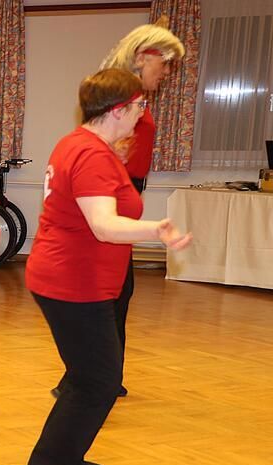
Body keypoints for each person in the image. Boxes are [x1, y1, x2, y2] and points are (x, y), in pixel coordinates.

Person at [22, 68, 191, 465]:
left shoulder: (78, 143)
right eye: (139, 107)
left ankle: (62, 458)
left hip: (73, 278)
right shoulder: (92, 154)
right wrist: (159, 230)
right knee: (97, 380)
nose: (142, 114)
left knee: (88, 377)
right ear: (118, 109)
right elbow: (103, 225)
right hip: (72, 281)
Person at [47, 21, 186, 400]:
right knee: (112, 292)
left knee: (118, 292)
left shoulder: (132, 100)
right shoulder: (121, 103)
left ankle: (98, 376)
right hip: (108, 201)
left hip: (122, 197)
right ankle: (92, 378)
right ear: (143, 57)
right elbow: (103, 162)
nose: (168, 72)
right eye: (166, 63)